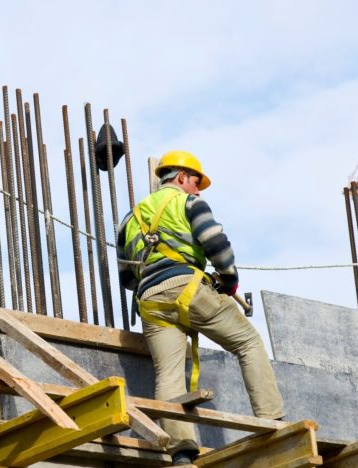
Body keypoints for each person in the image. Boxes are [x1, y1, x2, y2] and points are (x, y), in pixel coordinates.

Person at [116, 150, 284, 465]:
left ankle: (181, 452)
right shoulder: (189, 203)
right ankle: (272, 420)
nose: (198, 189)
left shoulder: (129, 219)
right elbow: (216, 244)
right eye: (196, 182)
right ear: (181, 177)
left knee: (168, 374)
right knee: (248, 342)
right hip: (189, 289)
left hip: (150, 302)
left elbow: (126, 277)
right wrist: (230, 280)